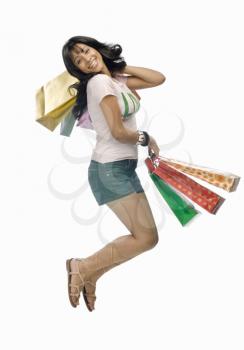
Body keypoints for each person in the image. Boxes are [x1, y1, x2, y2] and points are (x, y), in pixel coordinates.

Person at [62, 36, 166, 311]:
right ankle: (81, 266)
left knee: (146, 238)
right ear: (78, 70)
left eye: (85, 51)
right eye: (78, 61)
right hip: (109, 170)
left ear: (95, 47)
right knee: (145, 238)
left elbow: (158, 78)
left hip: (121, 169)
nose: (85, 59)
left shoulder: (114, 81)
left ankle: (91, 274)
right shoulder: (98, 83)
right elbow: (119, 132)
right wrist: (147, 137)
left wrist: (118, 66)